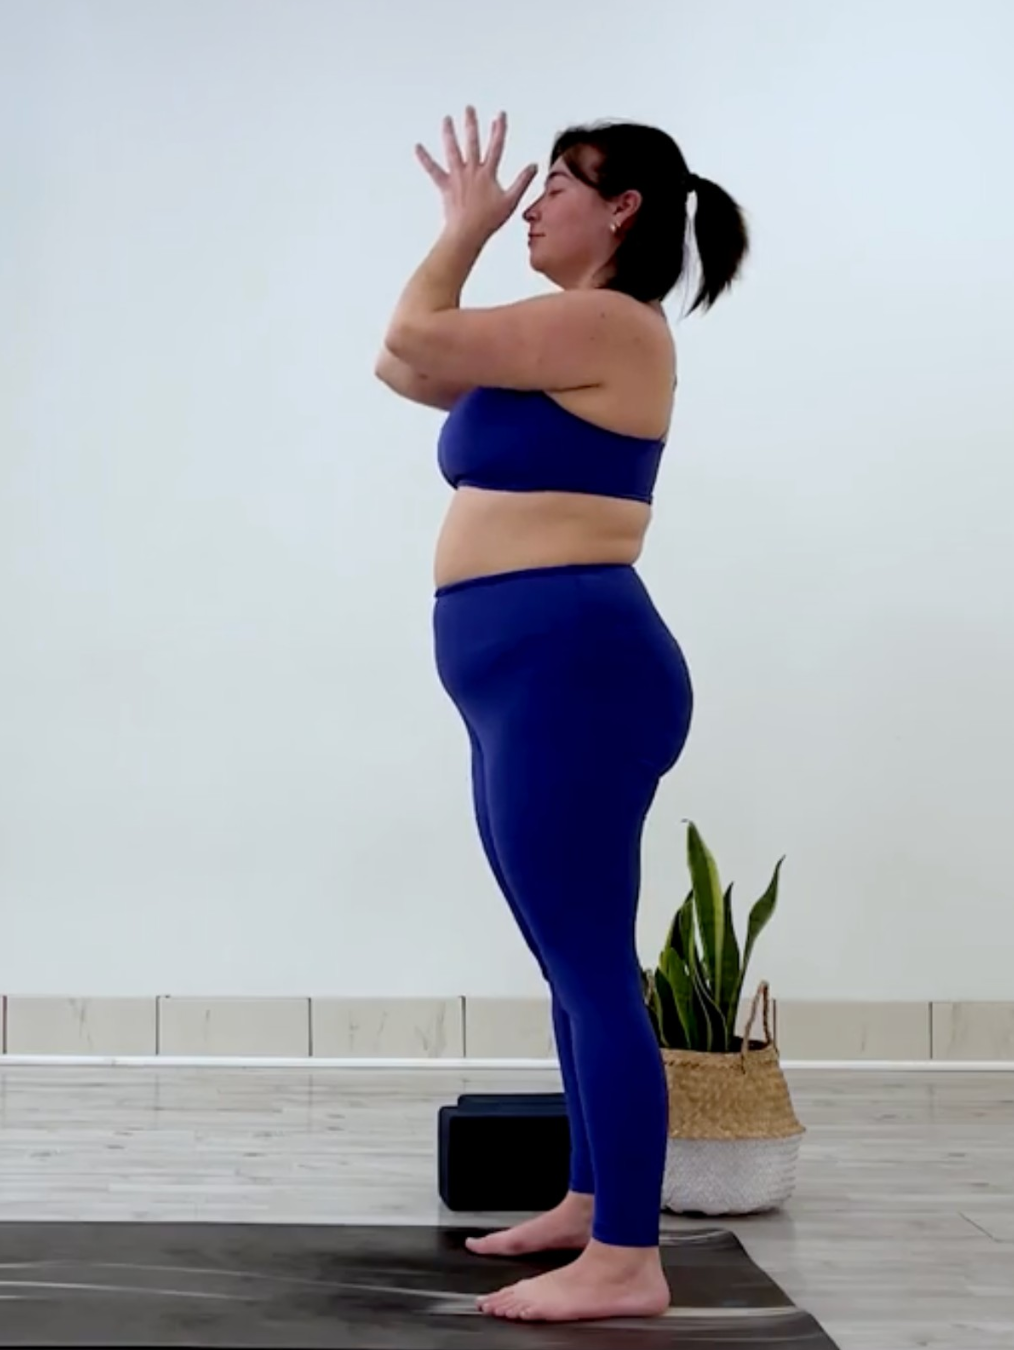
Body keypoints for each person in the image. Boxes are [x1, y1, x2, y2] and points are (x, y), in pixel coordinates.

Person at [376, 108, 748, 1323]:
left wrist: (463, 229)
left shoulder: (609, 321)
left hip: (573, 668)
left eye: (556, 189)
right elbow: (405, 367)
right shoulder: (565, 332)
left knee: (591, 965)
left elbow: (414, 330)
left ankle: (630, 1261)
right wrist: (468, 241)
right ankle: (593, 1203)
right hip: (525, 674)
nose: (530, 205)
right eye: (521, 196)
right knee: (566, 955)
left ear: (624, 208)